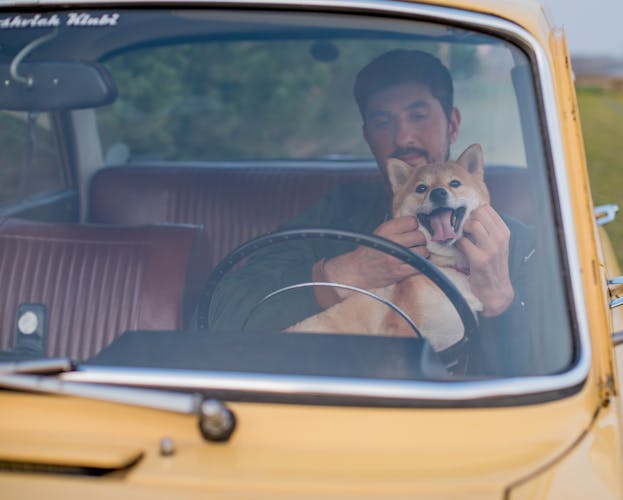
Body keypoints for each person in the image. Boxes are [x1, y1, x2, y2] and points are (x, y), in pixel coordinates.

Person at [208, 49, 536, 375]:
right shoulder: (335, 216)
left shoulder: (516, 242)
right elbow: (220, 313)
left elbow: (551, 373)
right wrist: (342, 275)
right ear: (368, 137)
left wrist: (499, 301)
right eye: (383, 121)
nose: (403, 136)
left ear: (452, 124)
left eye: (418, 115)